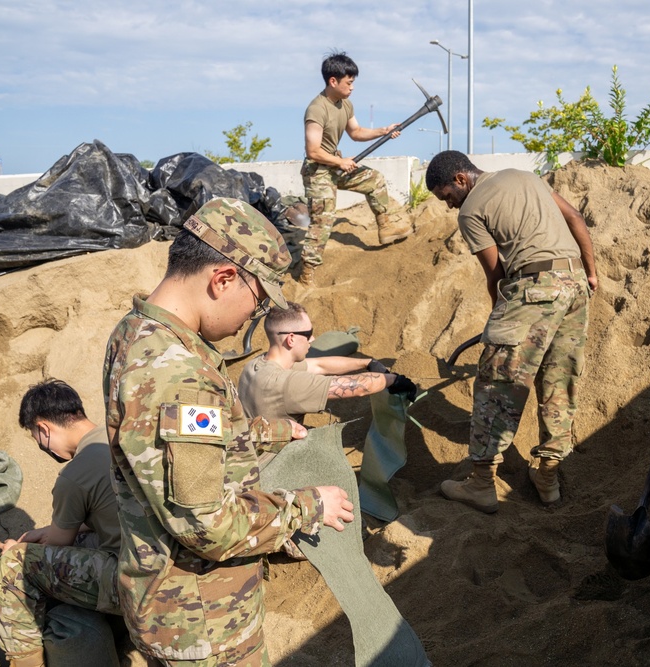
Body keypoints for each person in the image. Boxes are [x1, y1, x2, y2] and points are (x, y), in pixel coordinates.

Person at [103, 197, 355, 666]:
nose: (252, 319)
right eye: (257, 303)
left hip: (168, 600)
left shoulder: (138, 333)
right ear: (222, 279)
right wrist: (307, 506)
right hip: (204, 623)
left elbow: (173, 446)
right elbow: (208, 525)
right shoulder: (179, 375)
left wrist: (266, 433)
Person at [424, 150, 598, 513]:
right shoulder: (526, 176)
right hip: (576, 285)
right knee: (558, 379)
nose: (450, 206)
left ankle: (481, 483)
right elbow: (575, 218)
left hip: (533, 287)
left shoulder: (472, 210)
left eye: (447, 197)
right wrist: (590, 272)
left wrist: (499, 319)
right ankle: (548, 476)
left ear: (460, 179)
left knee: (496, 380)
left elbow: (496, 275)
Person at [0, 379, 121, 667]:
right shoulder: (119, 437)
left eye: (37, 440)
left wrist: (17, 549)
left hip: (130, 582)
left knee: (14, 565)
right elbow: (109, 512)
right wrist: (40, 532)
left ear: (43, 429)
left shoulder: (74, 475)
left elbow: (59, 543)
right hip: (166, 563)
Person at [298, 51, 413, 286]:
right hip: (318, 171)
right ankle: (307, 272)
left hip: (335, 165)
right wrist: (340, 162)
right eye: (349, 83)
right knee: (323, 220)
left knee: (375, 179)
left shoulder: (346, 104)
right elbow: (313, 150)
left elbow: (356, 132)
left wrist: (383, 131)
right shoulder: (316, 109)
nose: (352, 87)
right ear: (333, 81)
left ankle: (386, 227)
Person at [237, 301, 418, 422]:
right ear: (290, 339)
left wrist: (366, 363)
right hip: (276, 464)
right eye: (308, 334)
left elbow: (319, 365)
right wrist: (394, 379)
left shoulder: (255, 365)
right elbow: (361, 387)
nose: (313, 338)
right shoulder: (288, 384)